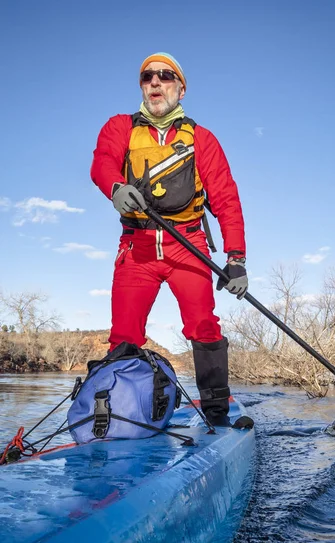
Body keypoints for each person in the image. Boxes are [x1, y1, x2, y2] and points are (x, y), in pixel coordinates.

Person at [91, 52, 248, 426]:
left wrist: (236, 258)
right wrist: (114, 186)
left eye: (165, 76)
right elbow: (102, 161)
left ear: (181, 88)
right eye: (148, 77)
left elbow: (226, 197)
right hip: (137, 248)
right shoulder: (120, 127)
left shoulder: (202, 139)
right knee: (124, 336)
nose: (155, 83)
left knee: (204, 326)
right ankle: (118, 417)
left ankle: (216, 415)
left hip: (188, 245)